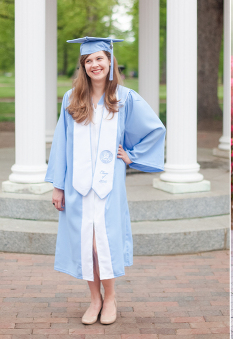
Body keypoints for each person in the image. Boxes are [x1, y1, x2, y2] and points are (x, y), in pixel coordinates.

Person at [45, 37, 165, 325]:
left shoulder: (125, 98)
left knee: (103, 244)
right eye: (88, 60)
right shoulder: (71, 99)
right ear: (83, 66)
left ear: (110, 61)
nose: (94, 64)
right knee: (86, 244)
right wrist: (58, 186)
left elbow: (154, 130)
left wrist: (131, 156)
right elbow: (61, 144)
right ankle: (94, 299)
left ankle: (110, 298)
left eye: (99, 58)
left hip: (108, 187)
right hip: (78, 186)